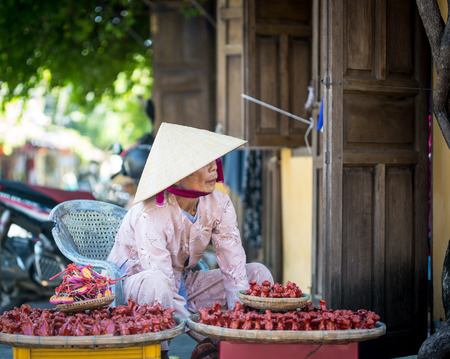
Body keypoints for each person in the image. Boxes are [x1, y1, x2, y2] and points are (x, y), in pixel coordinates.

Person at [107, 122, 273, 358]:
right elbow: (160, 276)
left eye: (213, 161)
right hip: (135, 290)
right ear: (176, 177)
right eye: (202, 164)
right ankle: (160, 352)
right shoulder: (151, 211)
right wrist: (203, 334)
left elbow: (233, 266)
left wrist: (240, 320)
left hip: (183, 283)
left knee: (258, 274)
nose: (214, 168)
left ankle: (239, 349)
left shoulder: (220, 203)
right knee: (158, 283)